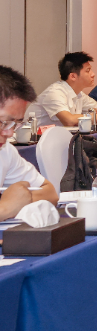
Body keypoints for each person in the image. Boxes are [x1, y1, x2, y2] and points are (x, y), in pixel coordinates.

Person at [0, 66, 59, 217]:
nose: (10, 133)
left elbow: (50, 193)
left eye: (16, 124)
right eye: (3, 122)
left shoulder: (5, 151)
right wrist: (4, 209)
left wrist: (18, 201)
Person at [26, 52, 97, 129]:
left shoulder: (79, 94)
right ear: (73, 76)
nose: (93, 74)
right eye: (88, 70)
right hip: (33, 141)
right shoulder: (55, 93)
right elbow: (69, 121)